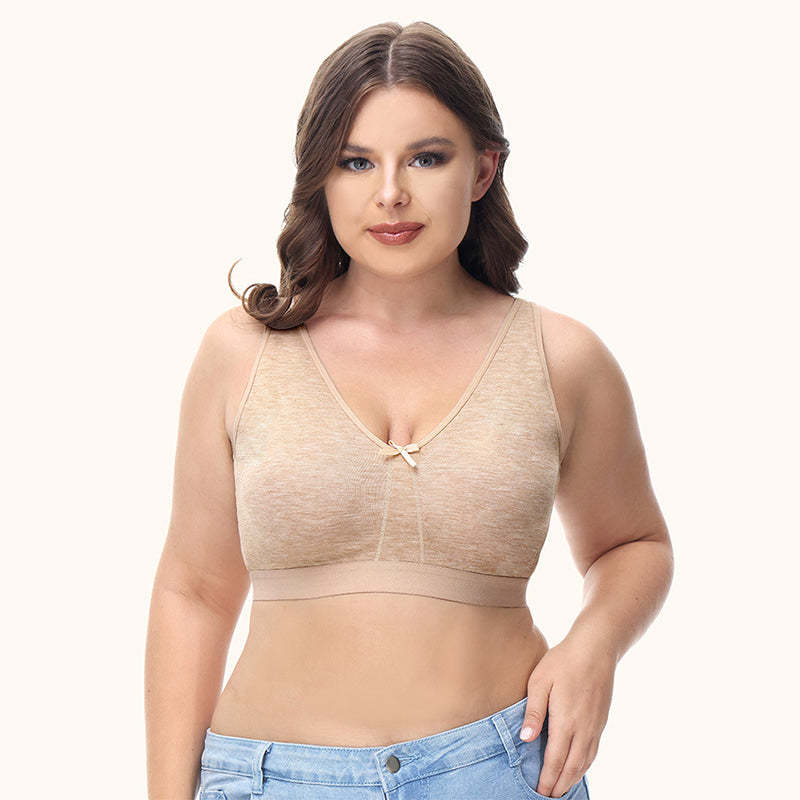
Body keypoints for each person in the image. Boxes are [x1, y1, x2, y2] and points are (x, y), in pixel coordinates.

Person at [145, 20, 673, 800]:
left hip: (498, 771)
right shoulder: (242, 353)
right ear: (320, 177)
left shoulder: (563, 359)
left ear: (483, 169)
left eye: (426, 157)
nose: (390, 192)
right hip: (272, 781)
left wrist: (592, 648)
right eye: (355, 161)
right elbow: (193, 590)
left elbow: (634, 544)